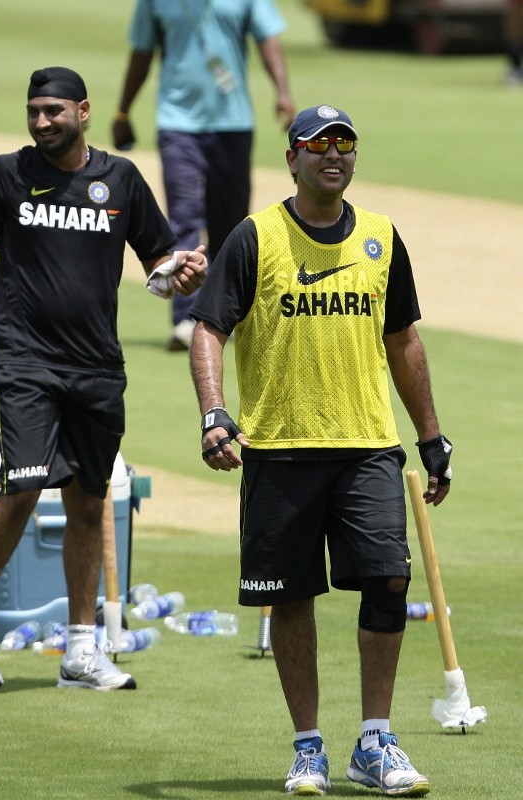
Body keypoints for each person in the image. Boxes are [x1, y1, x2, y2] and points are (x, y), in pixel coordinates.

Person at [0, 66, 207, 693]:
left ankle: (82, 649)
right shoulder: (5, 176)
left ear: (83, 111)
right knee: (22, 489)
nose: (42, 121)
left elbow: (160, 258)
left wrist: (179, 272)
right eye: (33, 111)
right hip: (26, 363)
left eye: (54, 110)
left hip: (98, 366)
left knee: (86, 501)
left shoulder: (121, 181)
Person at [189, 104, 453, 796]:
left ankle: (376, 741)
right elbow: (209, 329)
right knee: (293, 598)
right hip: (279, 448)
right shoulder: (256, 238)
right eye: (319, 145)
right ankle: (309, 747)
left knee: (388, 581)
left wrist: (430, 437)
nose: (334, 155)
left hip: (367, 443)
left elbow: (405, 341)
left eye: (345, 144)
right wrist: (215, 413)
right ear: (293, 158)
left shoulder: (381, 238)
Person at [112, 0, 296, 352]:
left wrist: (283, 93)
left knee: (230, 224)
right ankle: (187, 315)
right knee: (183, 216)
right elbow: (142, 50)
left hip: (234, 122)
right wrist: (123, 110)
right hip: (177, 122)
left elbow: (268, 39)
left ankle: (227, 312)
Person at [504, 0, 523, 85]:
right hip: (516, 4)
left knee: (516, 37)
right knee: (516, 37)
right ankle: (515, 70)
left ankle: (515, 71)